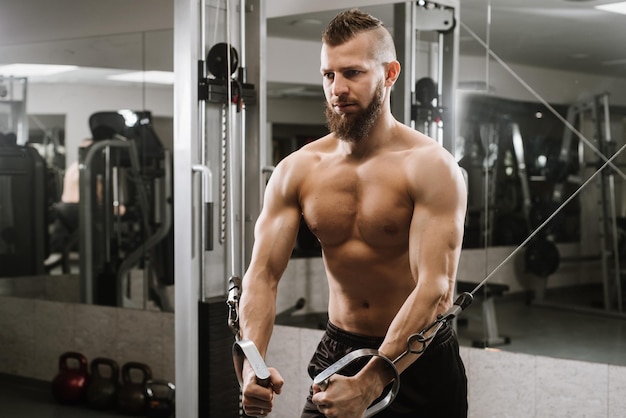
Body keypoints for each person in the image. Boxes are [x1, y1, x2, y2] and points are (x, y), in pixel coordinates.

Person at [237, 9, 468, 418]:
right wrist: (251, 364)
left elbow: (436, 290)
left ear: (390, 73)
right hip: (340, 348)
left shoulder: (430, 166)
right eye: (328, 75)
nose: (337, 89)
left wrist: (372, 380)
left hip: (420, 360)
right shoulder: (298, 169)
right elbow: (262, 275)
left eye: (352, 73)